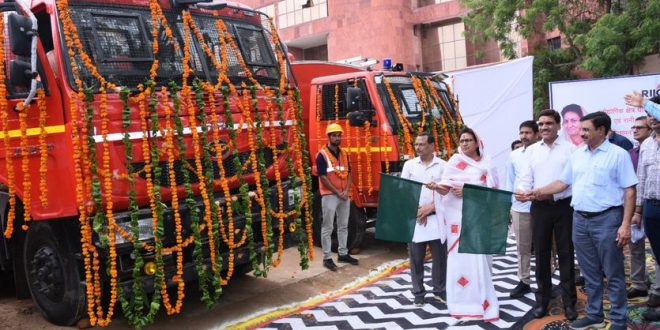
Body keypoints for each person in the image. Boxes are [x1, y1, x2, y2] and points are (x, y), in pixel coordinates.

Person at [529, 111, 637, 330]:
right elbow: (562, 183)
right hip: (579, 220)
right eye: (581, 129)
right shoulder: (578, 154)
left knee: (613, 273)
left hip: (607, 220)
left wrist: (625, 224)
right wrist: (537, 192)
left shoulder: (618, 154)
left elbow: (630, 191)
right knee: (589, 273)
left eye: (586, 129)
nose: (581, 133)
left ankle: (618, 319)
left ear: (602, 130)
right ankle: (594, 314)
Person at [515, 109, 577, 321]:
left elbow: (570, 182)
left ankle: (570, 303)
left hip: (564, 207)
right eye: (540, 124)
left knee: (566, 253)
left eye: (548, 123)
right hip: (539, 208)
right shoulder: (532, 151)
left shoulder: (570, 149)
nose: (544, 128)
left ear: (558, 125)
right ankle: (542, 301)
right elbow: (525, 178)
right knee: (540, 254)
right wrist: (524, 192)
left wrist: (544, 192)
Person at [433, 127, 500, 321]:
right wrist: (436, 186)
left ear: (477, 142)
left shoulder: (487, 164)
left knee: (480, 261)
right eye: (462, 140)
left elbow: (493, 192)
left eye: (468, 140)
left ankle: (484, 303)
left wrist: (469, 192)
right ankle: (461, 304)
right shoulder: (454, 162)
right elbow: (445, 188)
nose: (464, 144)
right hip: (457, 223)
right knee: (459, 261)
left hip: (478, 220)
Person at [400, 132, 448, 307]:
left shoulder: (443, 166)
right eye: (416, 144)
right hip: (416, 217)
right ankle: (418, 292)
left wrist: (430, 209)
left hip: (437, 217)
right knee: (416, 258)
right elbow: (403, 191)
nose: (418, 147)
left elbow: (447, 193)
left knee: (440, 257)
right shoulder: (410, 165)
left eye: (421, 144)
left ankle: (439, 291)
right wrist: (417, 211)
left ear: (432, 146)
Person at [316, 123, 358, 271]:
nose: (337, 138)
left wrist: (346, 191)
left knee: (343, 226)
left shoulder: (344, 153)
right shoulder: (322, 155)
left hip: (344, 195)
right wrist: (337, 192)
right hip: (330, 195)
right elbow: (323, 177)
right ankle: (327, 258)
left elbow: (349, 174)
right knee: (327, 227)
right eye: (334, 135)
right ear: (328, 137)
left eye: (339, 135)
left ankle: (343, 253)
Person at [505, 120, 539, 298]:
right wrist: (511, 205)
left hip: (542, 206)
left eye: (528, 133)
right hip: (520, 207)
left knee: (544, 246)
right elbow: (510, 181)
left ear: (536, 134)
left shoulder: (543, 153)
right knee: (522, 247)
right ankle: (524, 281)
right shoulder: (515, 155)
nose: (524, 136)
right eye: (522, 133)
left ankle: (545, 280)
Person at [626, 116, 657, 300]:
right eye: (634, 127)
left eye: (640, 127)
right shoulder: (631, 153)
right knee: (635, 246)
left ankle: (657, 288)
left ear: (650, 129)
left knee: (655, 249)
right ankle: (639, 283)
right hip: (635, 205)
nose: (635, 130)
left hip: (653, 204)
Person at [634, 112, 660, 321]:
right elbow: (641, 178)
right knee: (658, 254)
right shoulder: (646, 145)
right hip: (651, 207)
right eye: (650, 114)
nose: (653, 118)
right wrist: (638, 210)